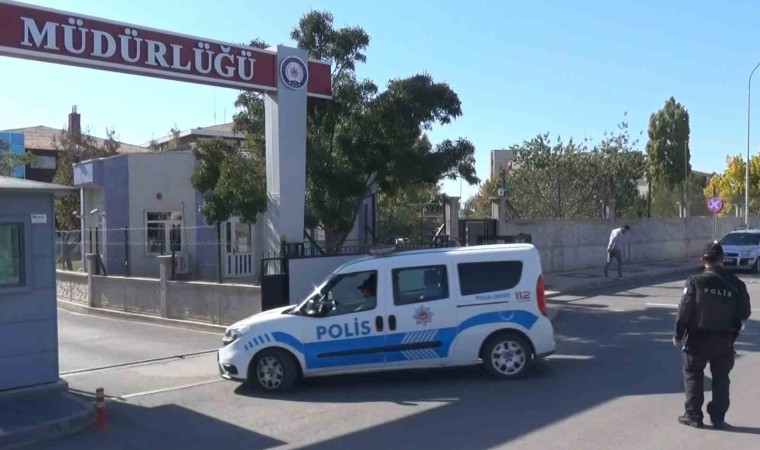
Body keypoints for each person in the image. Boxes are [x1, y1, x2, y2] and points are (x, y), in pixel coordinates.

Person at [674, 242, 752, 430]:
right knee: (721, 378)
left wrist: (677, 334)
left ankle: (694, 416)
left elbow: (684, 311)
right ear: (722, 259)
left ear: (702, 260)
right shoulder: (737, 284)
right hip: (724, 340)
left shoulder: (695, 282)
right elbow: (745, 312)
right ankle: (718, 418)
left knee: (693, 375)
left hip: (697, 339)